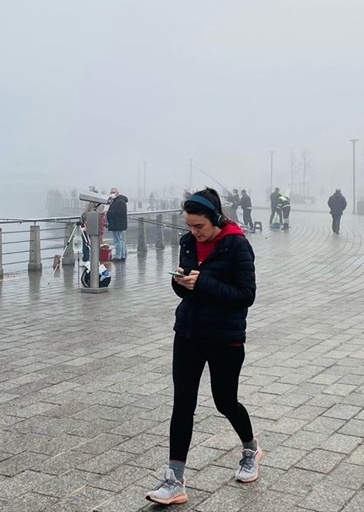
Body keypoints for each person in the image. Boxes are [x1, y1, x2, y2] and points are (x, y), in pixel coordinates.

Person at [145, 188, 260, 506]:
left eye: (199, 226)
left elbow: (245, 295)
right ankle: (174, 479)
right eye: (190, 226)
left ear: (215, 219)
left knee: (226, 402)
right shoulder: (187, 243)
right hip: (188, 333)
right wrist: (179, 282)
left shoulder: (236, 245)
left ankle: (250, 449)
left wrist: (203, 283)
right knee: (182, 404)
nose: (194, 232)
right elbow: (187, 288)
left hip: (225, 336)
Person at [106, 187, 129, 261]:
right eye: (111, 192)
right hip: (119, 224)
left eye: (113, 192)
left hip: (117, 224)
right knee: (120, 240)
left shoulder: (119, 201)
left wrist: (108, 213)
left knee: (117, 240)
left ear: (117, 193)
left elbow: (117, 212)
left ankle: (118, 256)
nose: (112, 194)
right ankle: (122, 255)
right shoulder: (120, 201)